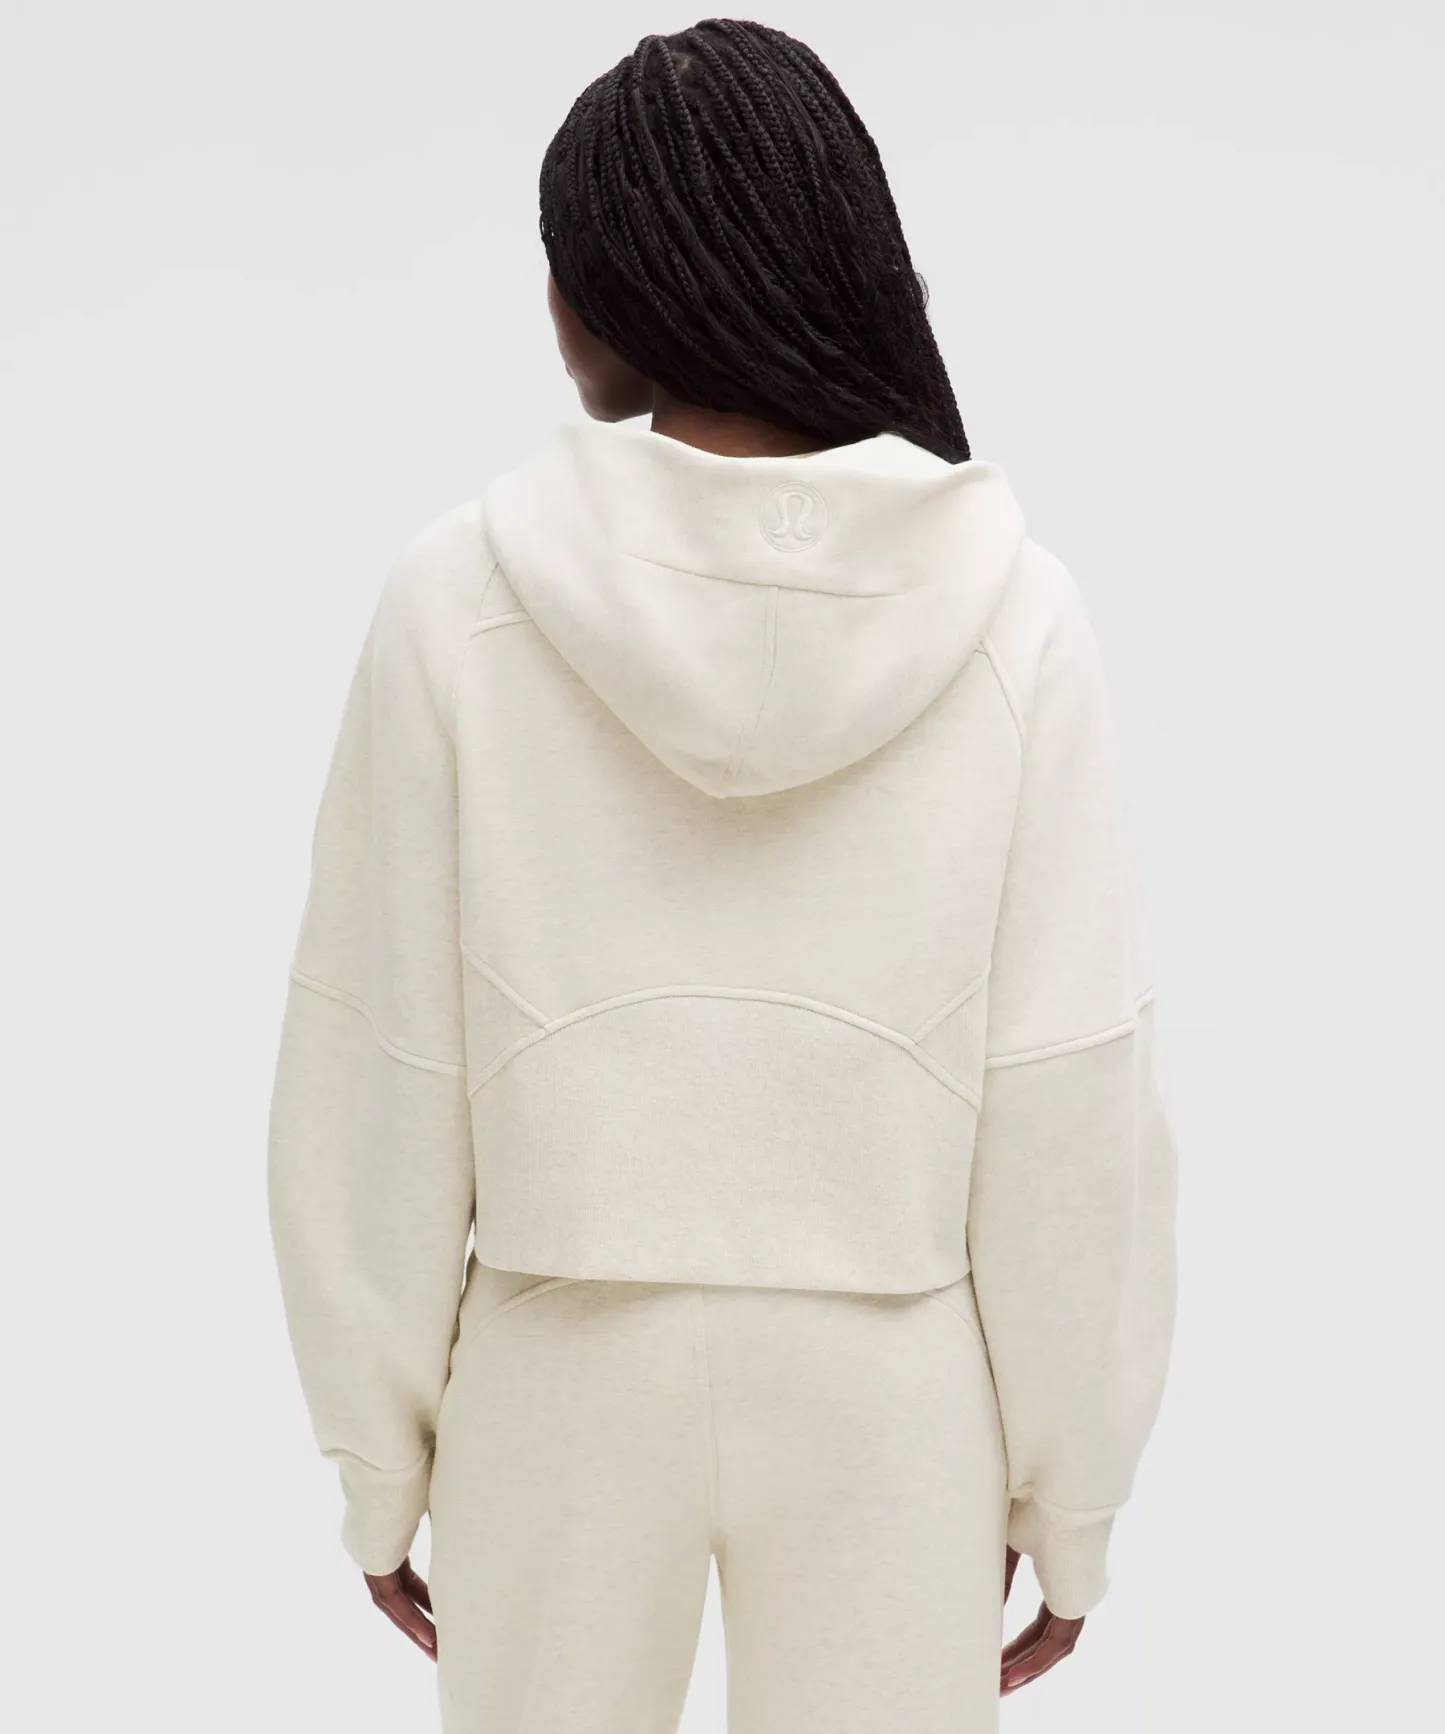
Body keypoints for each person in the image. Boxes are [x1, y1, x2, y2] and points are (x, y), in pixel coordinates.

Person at [266, 18, 1178, 1733]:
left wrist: (377, 1456)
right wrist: (1075, 1493)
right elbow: (1071, 1094)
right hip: (894, 1387)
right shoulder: (1014, 606)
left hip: (555, 1367)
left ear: (615, 294)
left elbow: (380, 1063)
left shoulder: (459, 593)